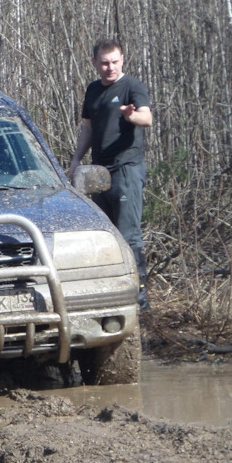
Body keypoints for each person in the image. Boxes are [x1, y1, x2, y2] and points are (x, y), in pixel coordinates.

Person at [68, 39, 153, 313]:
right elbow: (88, 128)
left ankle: (139, 302)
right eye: (104, 63)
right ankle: (110, 296)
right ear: (95, 63)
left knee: (129, 236)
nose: (110, 67)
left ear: (122, 59)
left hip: (125, 169)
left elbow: (147, 118)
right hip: (98, 172)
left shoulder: (132, 86)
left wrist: (131, 116)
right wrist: (76, 159)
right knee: (104, 236)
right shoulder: (93, 90)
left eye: (115, 61)